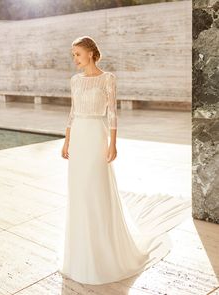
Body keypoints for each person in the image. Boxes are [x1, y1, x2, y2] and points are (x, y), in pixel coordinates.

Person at [56, 36, 191, 285]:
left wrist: (113, 142)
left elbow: (112, 113)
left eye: (77, 53)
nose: (74, 58)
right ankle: (80, 254)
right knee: (79, 193)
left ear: (90, 53)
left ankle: (103, 253)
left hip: (97, 136)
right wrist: (66, 140)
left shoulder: (108, 78)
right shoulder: (75, 81)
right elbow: (73, 112)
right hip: (79, 137)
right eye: (73, 54)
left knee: (96, 191)